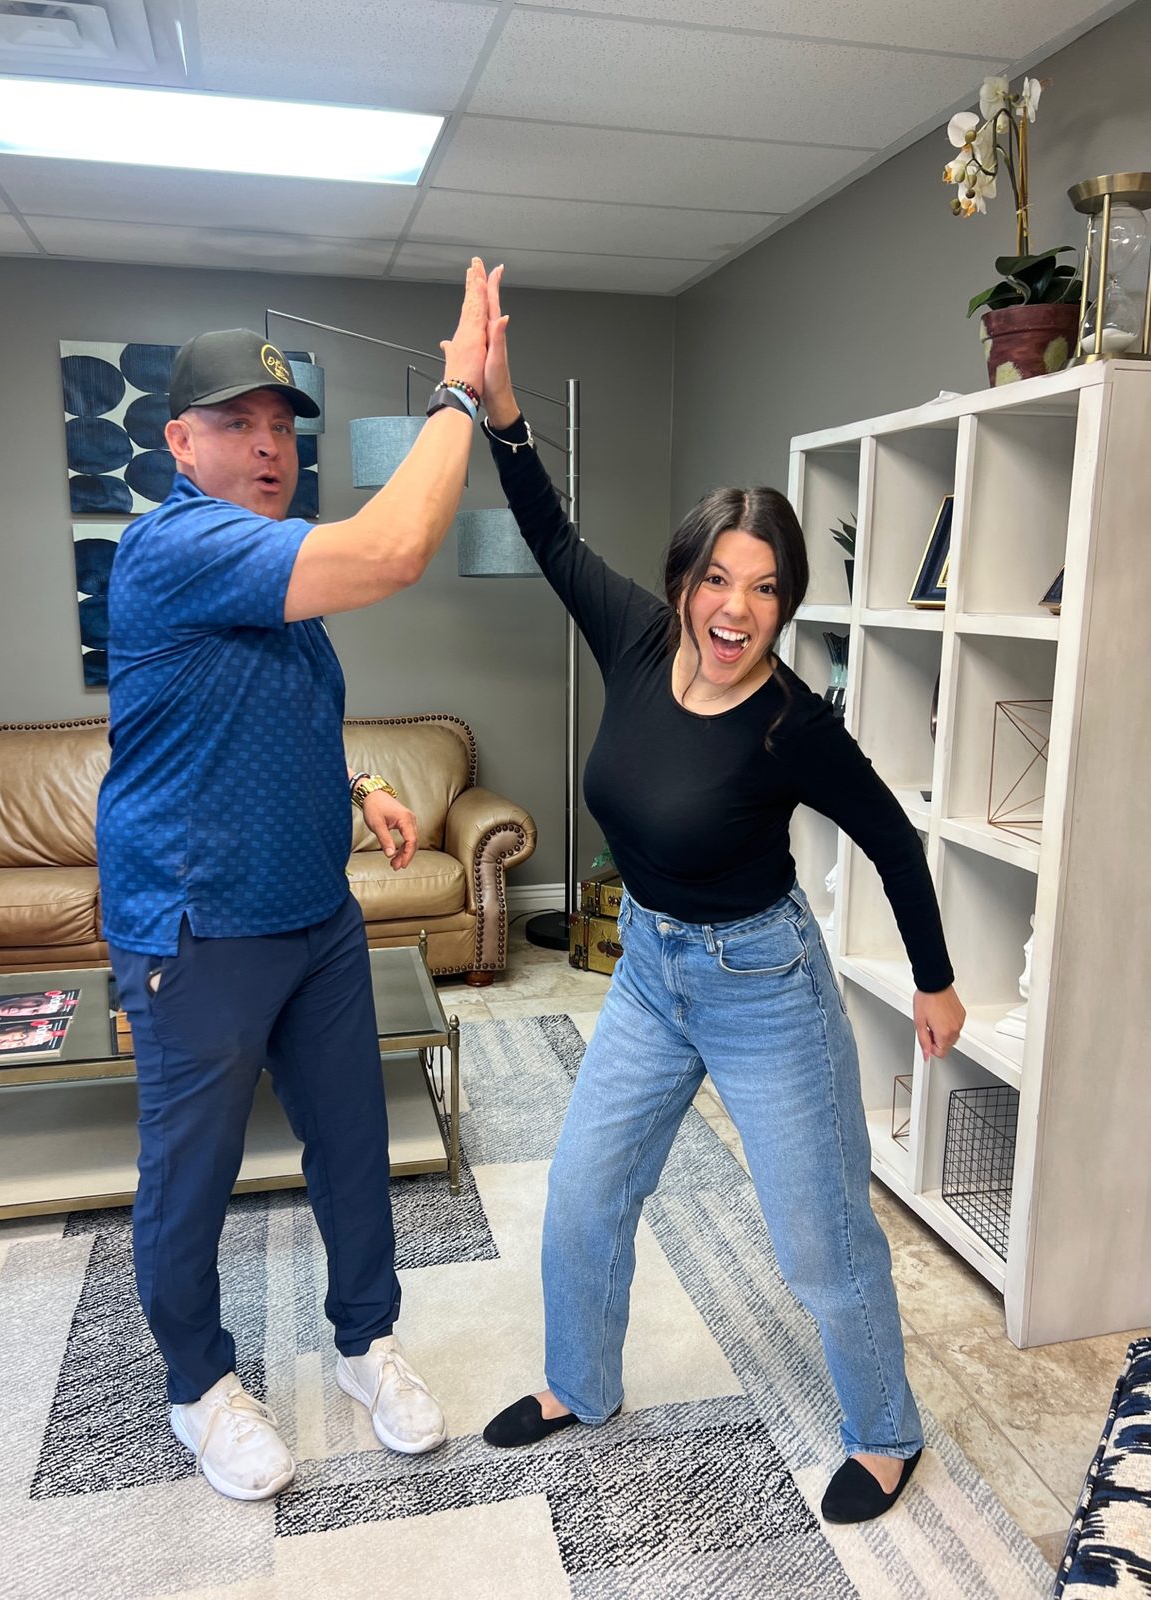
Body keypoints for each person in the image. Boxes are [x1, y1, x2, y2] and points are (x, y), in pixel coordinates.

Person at [475, 266, 965, 1524]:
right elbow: (550, 533)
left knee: (818, 1242)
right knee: (584, 1192)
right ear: (685, 577)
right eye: (718, 578)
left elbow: (896, 842)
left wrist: (935, 978)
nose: (736, 608)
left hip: (762, 984)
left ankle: (885, 1431)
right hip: (648, 969)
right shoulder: (638, 640)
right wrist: (502, 411)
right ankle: (580, 1384)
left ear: (784, 604)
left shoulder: (793, 728)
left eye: (766, 588)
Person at [96, 260, 491, 1502]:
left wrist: (356, 786)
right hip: (199, 924)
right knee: (193, 1167)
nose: (269, 449)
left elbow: (274, 713)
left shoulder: (271, 566)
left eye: (282, 429)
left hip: (314, 914)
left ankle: (367, 1342)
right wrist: (461, 392)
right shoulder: (172, 549)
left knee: (354, 1140)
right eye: (237, 425)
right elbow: (396, 547)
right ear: (179, 441)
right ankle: (197, 1385)